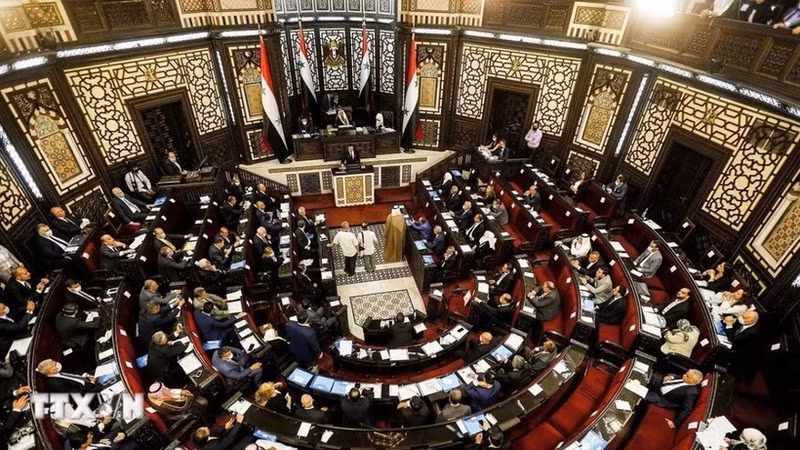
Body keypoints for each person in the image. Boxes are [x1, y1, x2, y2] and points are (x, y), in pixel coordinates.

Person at [723, 310, 761, 381]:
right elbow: (734, 329)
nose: (740, 317)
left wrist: (729, 324)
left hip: (740, 355)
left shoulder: (751, 333)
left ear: (749, 321)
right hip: (736, 345)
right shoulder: (744, 321)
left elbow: (732, 339)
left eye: (743, 317)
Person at [36, 358, 103, 393]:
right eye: (54, 365)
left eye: (54, 362)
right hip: (85, 391)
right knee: (105, 385)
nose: (57, 364)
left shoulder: (59, 369)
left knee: (101, 367)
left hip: (86, 379)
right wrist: (91, 383)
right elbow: (77, 392)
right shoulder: (56, 384)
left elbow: (73, 371)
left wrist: (87, 375)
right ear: (51, 371)